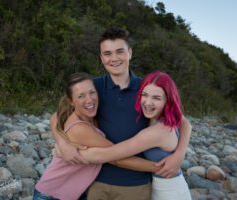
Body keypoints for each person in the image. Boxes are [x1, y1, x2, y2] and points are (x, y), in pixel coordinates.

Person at [51, 27, 192, 200]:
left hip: (136, 184)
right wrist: (62, 143)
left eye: (120, 51)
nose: (114, 58)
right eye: (107, 53)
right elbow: (58, 115)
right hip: (97, 181)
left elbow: (183, 121)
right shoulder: (93, 88)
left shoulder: (146, 89)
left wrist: (179, 154)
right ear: (101, 58)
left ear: (130, 53)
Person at [34, 73, 161, 200]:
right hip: (51, 194)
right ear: (71, 102)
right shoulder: (79, 128)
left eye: (92, 93)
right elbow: (116, 158)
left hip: (72, 194)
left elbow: (56, 115)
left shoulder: (90, 116)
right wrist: (159, 167)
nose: (89, 99)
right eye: (81, 96)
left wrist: (61, 141)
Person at [80, 71, 192, 200]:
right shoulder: (164, 118)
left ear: (168, 100)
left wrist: (78, 152)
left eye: (156, 98)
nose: (148, 102)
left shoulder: (158, 132)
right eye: (145, 95)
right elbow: (186, 124)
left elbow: (112, 154)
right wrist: (180, 154)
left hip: (171, 192)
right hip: (161, 186)